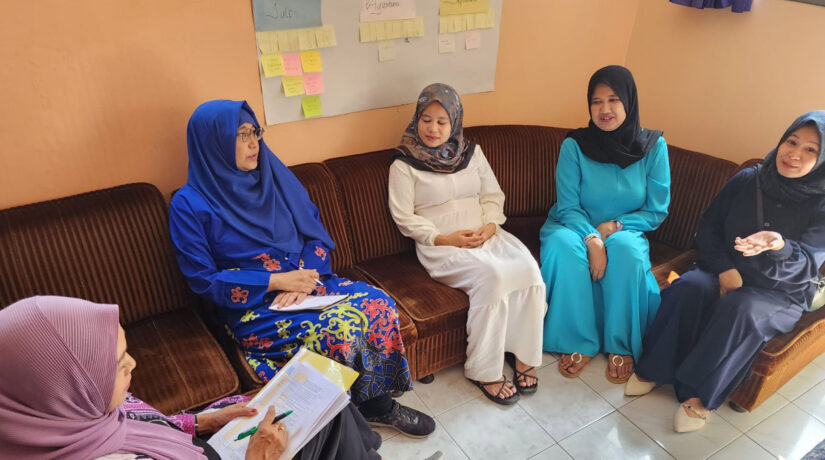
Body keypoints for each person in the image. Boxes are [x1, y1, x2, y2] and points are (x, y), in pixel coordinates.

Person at [168, 100, 434, 438]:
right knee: (340, 328)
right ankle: (357, 416)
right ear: (213, 142)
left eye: (255, 132)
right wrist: (278, 281)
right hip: (257, 304)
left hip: (308, 281)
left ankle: (374, 403)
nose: (254, 143)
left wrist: (304, 279)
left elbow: (316, 235)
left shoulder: (274, 179)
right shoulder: (188, 205)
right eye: (242, 135)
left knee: (379, 303)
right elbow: (204, 280)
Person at [626, 111, 825, 433]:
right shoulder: (748, 179)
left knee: (742, 308)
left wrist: (778, 244)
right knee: (689, 287)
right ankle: (654, 367)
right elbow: (708, 227)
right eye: (792, 142)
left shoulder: (821, 204)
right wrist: (725, 269)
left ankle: (701, 396)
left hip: (778, 292)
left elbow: (806, 264)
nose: (794, 154)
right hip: (726, 268)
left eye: (810, 149)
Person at [0, 295, 385, 459]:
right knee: (330, 420)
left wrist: (201, 421)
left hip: (196, 445)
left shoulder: (72, 418)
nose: (133, 364)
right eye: (116, 364)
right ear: (61, 391)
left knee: (326, 400)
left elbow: (144, 423)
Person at [388, 83, 547, 405]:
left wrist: (490, 226)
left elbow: (492, 195)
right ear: (416, 120)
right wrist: (444, 238)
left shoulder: (472, 153)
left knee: (529, 270)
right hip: (441, 245)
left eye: (442, 121)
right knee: (493, 277)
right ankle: (484, 369)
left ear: (455, 122)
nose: (433, 129)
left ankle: (522, 352)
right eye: (426, 120)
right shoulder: (403, 164)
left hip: (485, 233)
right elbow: (403, 216)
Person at [539, 65, 670, 383]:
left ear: (629, 101)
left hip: (625, 229)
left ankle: (620, 344)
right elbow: (568, 206)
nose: (604, 109)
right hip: (573, 224)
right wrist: (592, 238)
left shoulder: (654, 148)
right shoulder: (574, 145)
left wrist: (613, 227)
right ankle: (577, 339)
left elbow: (655, 211)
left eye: (613, 99)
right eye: (596, 102)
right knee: (561, 246)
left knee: (626, 252)